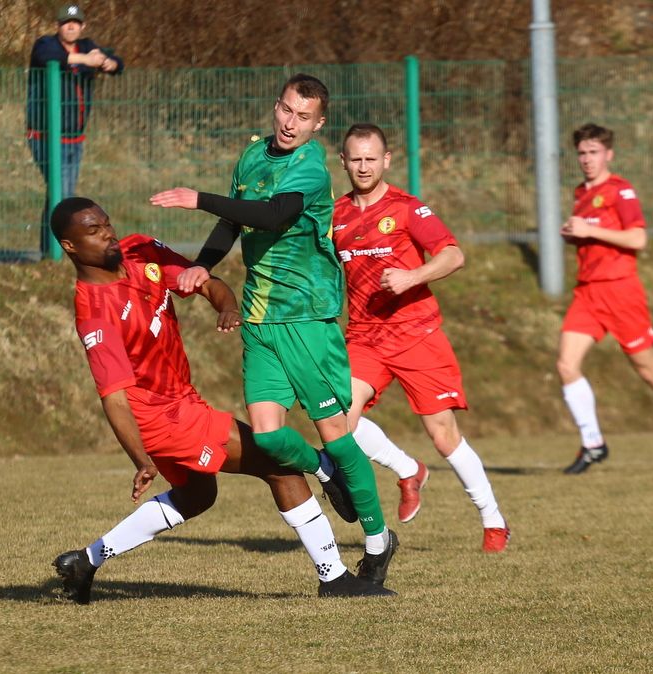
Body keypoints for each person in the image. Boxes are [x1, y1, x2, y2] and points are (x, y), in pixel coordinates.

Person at [49, 197, 394, 603]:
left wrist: (227, 304)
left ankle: (85, 562)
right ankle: (333, 575)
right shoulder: (95, 311)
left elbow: (204, 280)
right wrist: (140, 459)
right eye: (93, 230)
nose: (108, 233)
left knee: (197, 497)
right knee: (280, 468)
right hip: (164, 418)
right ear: (70, 246)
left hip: (182, 401)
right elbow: (114, 397)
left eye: (106, 223)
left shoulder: (141, 250)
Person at [149, 74, 399, 579]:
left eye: (302, 117)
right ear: (276, 107)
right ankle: (325, 470)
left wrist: (199, 197)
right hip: (261, 319)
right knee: (266, 438)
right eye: (286, 110)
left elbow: (270, 215)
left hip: (308, 318)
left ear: (318, 124)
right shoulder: (253, 154)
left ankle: (377, 542)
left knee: (336, 434)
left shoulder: (310, 167)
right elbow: (235, 221)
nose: (290, 123)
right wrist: (205, 263)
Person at [333, 123, 509, 552]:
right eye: (355, 158)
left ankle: (494, 521)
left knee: (444, 434)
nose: (363, 166)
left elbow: (454, 254)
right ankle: (408, 470)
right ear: (342, 161)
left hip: (417, 335)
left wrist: (414, 276)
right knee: (338, 423)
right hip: (364, 337)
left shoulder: (408, 208)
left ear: (386, 160)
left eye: (371, 158)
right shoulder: (334, 214)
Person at [557, 123, 653, 474]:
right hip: (588, 291)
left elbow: (637, 239)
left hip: (621, 291)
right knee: (566, 364)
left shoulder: (621, 191)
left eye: (594, 152)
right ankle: (593, 443)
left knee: (647, 368)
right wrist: (575, 236)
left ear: (609, 154)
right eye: (582, 153)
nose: (587, 159)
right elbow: (595, 236)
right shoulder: (580, 192)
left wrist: (589, 230)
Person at [26, 4, 124, 258]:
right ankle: (54, 252)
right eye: (66, 23)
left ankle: (53, 251)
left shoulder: (88, 45)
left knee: (62, 194)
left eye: (76, 23)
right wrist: (85, 60)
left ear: (82, 26)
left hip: (75, 137)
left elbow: (116, 61)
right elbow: (46, 57)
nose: (71, 27)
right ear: (58, 26)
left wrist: (108, 62)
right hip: (46, 136)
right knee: (62, 192)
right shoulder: (46, 44)